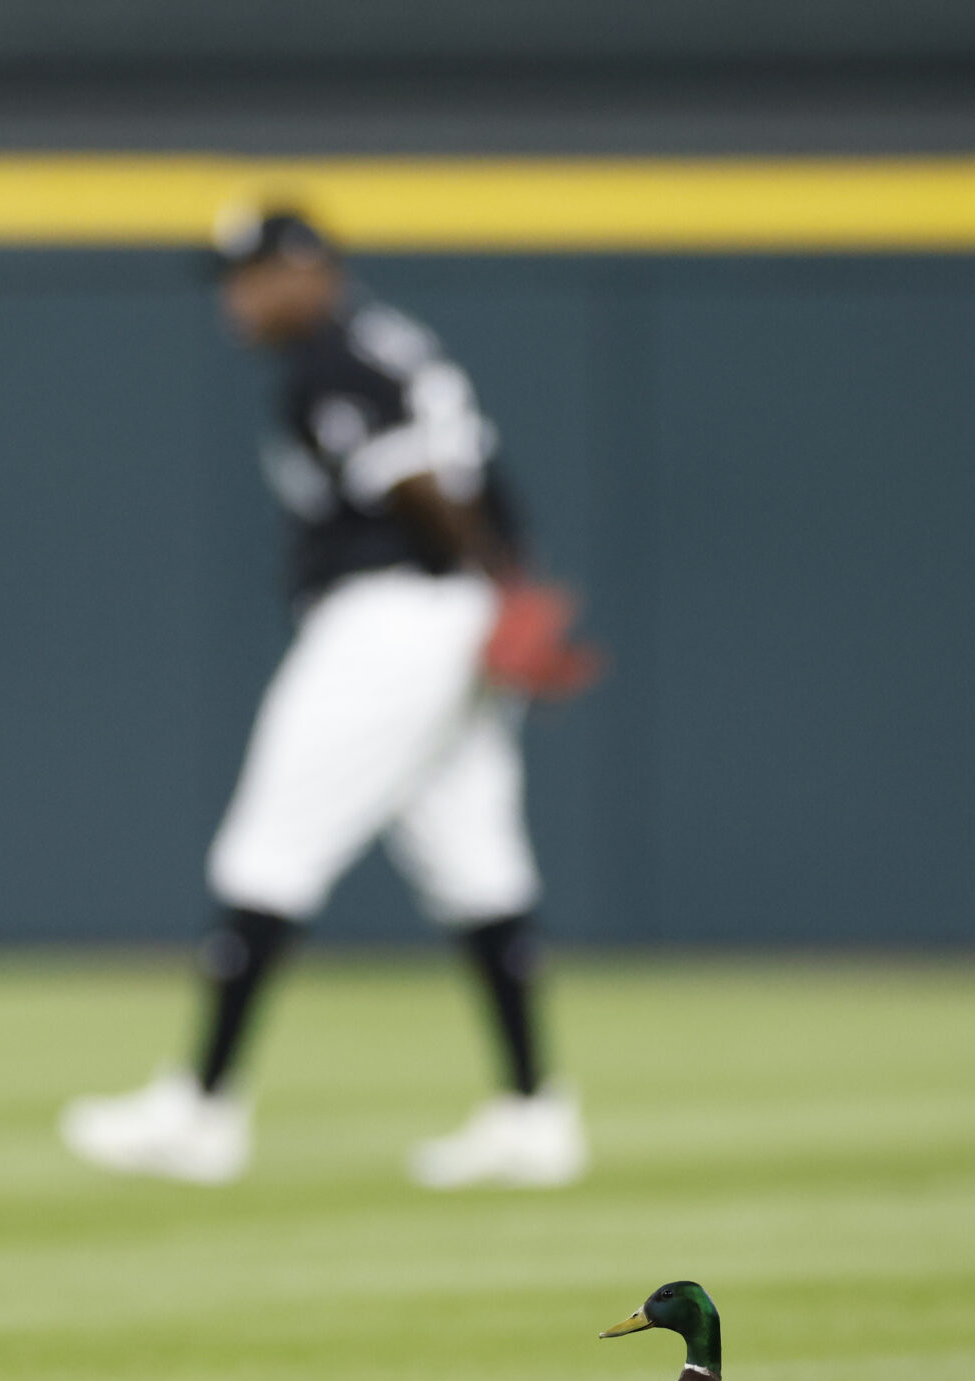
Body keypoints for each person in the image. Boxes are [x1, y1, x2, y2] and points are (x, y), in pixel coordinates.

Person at [60, 205, 589, 1190]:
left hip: (394, 618)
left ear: (311, 271)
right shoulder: (385, 343)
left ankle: (200, 1110)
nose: (238, 296)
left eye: (255, 274)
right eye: (232, 276)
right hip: (454, 615)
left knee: (268, 849)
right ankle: (533, 1114)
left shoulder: (333, 362)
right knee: (473, 861)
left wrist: (499, 586)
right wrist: (509, 589)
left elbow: (422, 481)